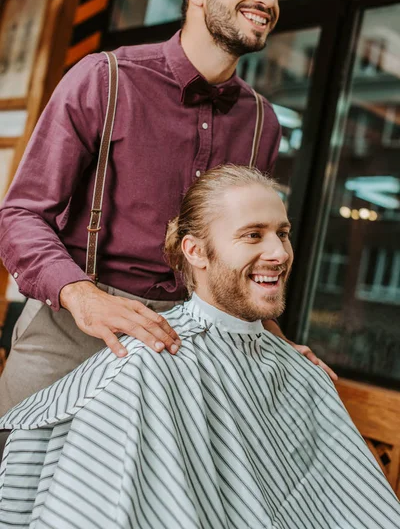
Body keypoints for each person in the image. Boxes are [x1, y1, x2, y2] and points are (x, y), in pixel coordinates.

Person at [0, 0, 335, 416]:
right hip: (72, 327)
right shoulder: (104, 78)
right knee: (14, 481)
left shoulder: (263, 123)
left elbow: (238, 255)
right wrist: (83, 297)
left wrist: (276, 342)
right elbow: (20, 216)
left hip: (185, 344)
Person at [0, 165, 398, 529]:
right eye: (253, 235)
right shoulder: (146, 367)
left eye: (283, 233)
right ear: (195, 251)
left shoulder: (302, 373)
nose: (279, 253)